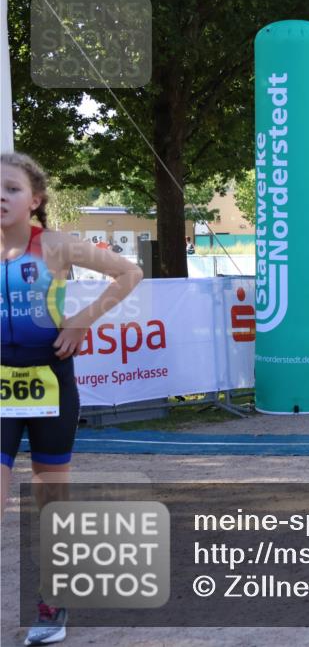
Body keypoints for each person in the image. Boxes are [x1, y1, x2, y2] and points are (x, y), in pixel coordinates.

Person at [1, 152, 143, 646]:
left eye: (12, 188)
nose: (1, 196)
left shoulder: (55, 246)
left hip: (51, 381)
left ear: (34, 199)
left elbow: (129, 273)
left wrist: (83, 320)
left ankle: (52, 601)